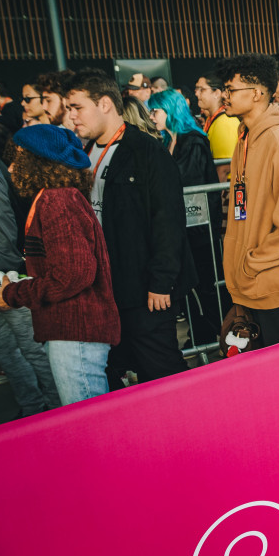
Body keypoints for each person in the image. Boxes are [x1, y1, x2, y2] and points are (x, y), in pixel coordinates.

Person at [67, 68, 194, 387]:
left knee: (162, 373)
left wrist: (161, 282)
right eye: (69, 109)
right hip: (104, 288)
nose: (72, 117)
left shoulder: (146, 151)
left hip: (145, 290)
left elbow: (168, 220)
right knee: (116, 375)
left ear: (105, 104)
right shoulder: (83, 153)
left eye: (78, 107)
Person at [0, 124, 119, 405]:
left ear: (37, 162)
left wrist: (12, 293)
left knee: (86, 419)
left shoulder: (57, 200)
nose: (11, 168)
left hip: (75, 331)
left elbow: (74, 274)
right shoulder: (57, 196)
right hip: (72, 329)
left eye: (19, 158)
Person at [217, 53, 279, 347]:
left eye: (231, 89)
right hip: (250, 287)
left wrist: (251, 265)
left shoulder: (278, 143)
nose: (224, 96)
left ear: (257, 93)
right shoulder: (245, 139)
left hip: (271, 287)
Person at [0, 143, 60, 416]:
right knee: (6, 351)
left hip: (3, 277)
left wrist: (7, 281)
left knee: (33, 350)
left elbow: (0, 226)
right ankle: (32, 410)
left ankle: (58, 410)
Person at [148, 89, 223, 347]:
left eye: (155, 111)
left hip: (200, 227)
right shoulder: (167, 140)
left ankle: (212, 335)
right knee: (191, 286)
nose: (151, 116)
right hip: (184, 225)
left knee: (205, 286)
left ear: (171, 110)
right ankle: (201, 334)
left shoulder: (192, 141)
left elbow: (186, 180)